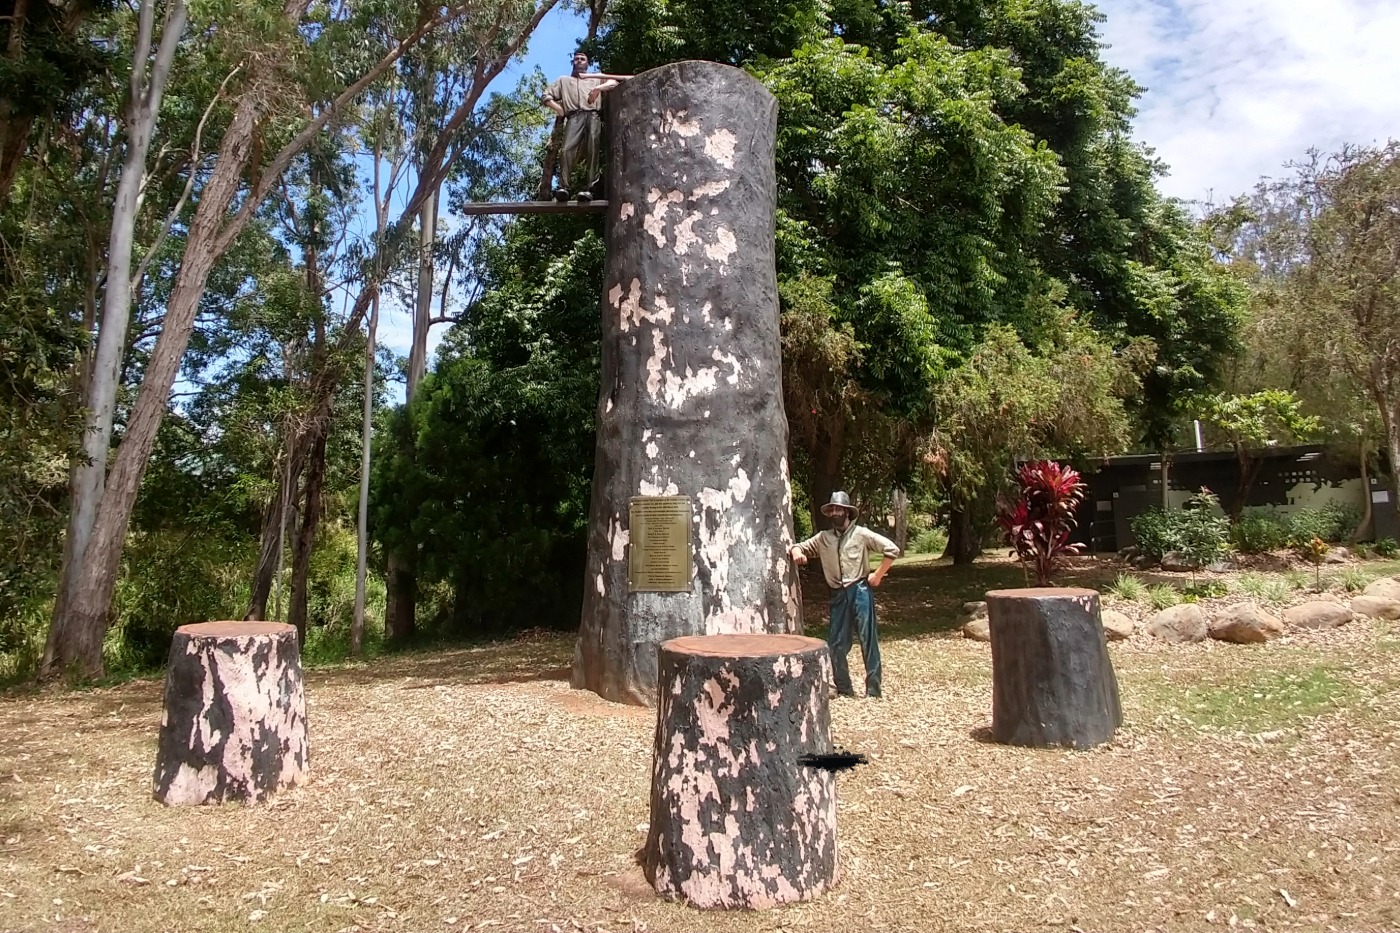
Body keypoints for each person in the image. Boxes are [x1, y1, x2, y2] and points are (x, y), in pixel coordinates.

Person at [789, 491, 901, 699]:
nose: (835, 513)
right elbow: (800, 546)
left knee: (868, 639)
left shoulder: (861, 534)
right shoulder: (824, 538)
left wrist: (878, 574)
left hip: (859, 590)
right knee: (836, 644)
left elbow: (892, 549)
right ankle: (844, 688)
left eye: (838, 509)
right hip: (837, 595)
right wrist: (797, 552)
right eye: (832, 509)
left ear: (847, 512)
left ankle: (874, 690)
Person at [541, 51, 629, 203]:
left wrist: (597, 89)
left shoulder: (595, 77)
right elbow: (546, 95)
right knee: (567, 150)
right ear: (573, 63)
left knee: (593, 148)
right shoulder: (564, 80)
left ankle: (590, 188)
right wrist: (560, 110)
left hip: (592, 115)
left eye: (582, 59)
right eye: (576, 59)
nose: (579, 61)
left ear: (587, 63)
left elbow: (613, 82)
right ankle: (564, 187)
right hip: (574, 116)